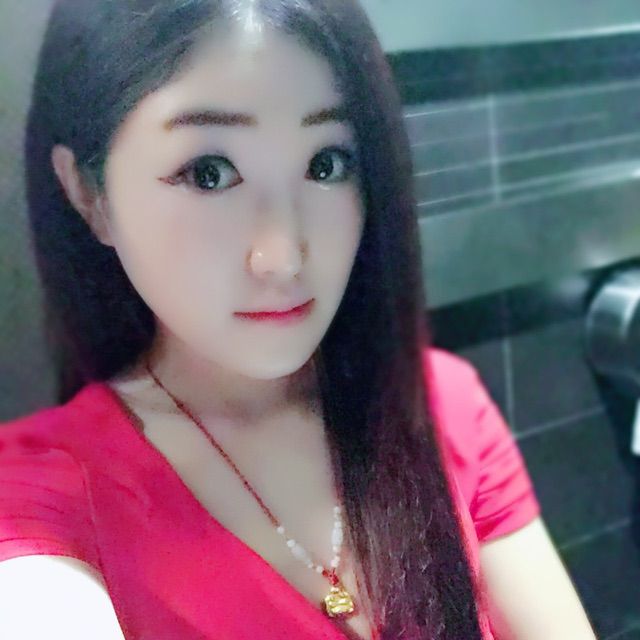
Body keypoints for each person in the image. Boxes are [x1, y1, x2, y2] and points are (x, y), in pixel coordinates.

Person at [0, 1, 597, 638]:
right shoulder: (41, 493)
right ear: (89, 194)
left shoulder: (439, 406)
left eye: (326, 164)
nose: (282, 256)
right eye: (209, 173)